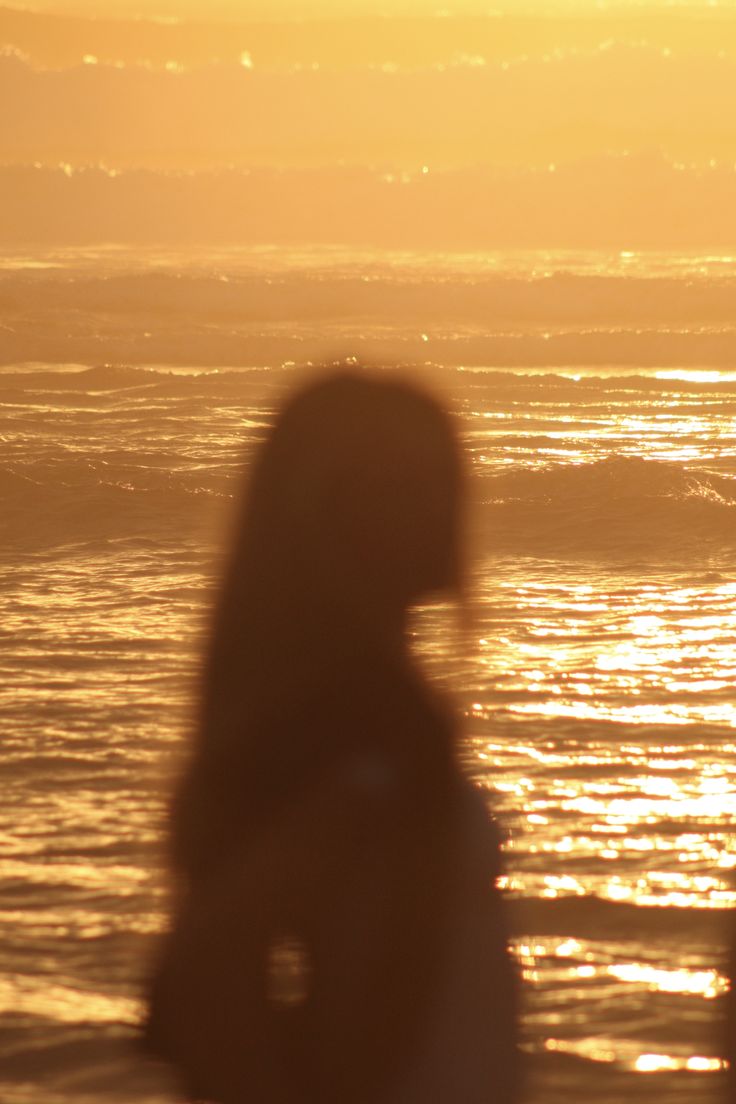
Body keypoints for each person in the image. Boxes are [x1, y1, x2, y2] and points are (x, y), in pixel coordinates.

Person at [143, 370, 520, 1104]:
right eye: (398, 488)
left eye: (444, 478)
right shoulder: (353, 738)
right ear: (321, 514)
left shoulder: (379, 718)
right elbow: (200, 984)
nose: (438, 509)